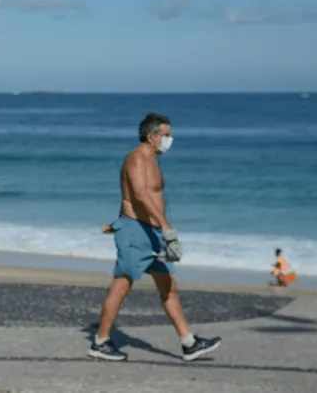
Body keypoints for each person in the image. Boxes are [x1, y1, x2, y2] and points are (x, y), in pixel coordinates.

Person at [89, 113, 222, 362]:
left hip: (152, 232)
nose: (170, 139)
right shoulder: (137, 159)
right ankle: (100, 341)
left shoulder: (152, 159)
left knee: (168, 286)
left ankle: (188, 342)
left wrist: (161, 231)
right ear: (152, 137)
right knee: (122, 285)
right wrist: (167, 228)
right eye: (166, 135)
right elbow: (139, 196)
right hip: (136, 231)